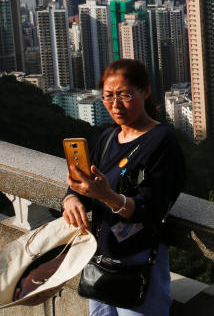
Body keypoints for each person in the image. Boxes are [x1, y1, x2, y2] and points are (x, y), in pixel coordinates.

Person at [62, 59, 186, 316]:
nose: (115, 105)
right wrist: (72, 198)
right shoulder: (108, 137)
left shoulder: (162, 141)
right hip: (99, 259)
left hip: (139, 264)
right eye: (108, 97)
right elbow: (84, 182)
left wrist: (106, 195)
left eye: (125, 95)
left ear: (146, 92)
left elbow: (151, 207)